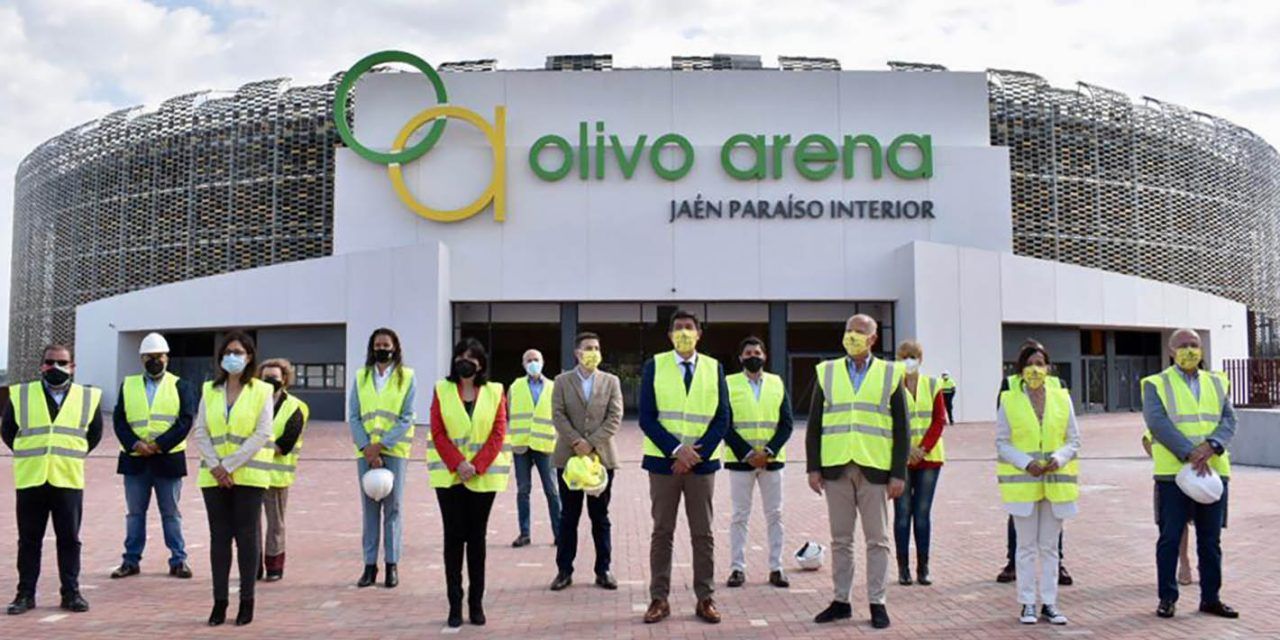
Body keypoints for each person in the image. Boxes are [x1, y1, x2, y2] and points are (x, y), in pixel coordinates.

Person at [807, 314, 908, 630]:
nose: (852, 336)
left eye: (859, 332)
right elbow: (814, 424)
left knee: (877, 540)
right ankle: (841, 601)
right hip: (836, 467)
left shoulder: (890, 373)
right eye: (848, 330)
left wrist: (898, 473)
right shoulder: (827, 371)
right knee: (840, 540)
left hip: (875, 469)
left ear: (873, 339)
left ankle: (878, 603)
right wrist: (813, 467)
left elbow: (902, 428)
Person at [640, 310, 729, 625]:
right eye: (677, 328)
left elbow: (722, 418)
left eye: (689, 328)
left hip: (701, 467)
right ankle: (658, 599)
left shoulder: (714, 367)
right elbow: (646, 417)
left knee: (702, 533)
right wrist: (677, 451)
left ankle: (705, 598)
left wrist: (694, 455)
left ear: (699, 334)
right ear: (669, 335)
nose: (683, 333)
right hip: (664, 465)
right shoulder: (655, 365)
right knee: (662, 532)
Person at [1143, 328, 1238, 620]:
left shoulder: (1218, 381)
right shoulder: (1156, 383)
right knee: (1170, 538)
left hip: (1212, 475)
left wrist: (1212, 446)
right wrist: (1190, 452)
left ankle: (1211, 598)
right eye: (1183, 345)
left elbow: (1228, 420)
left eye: (1194, 345)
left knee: (1210, 541)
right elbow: (1158, 423)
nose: (1189, 350)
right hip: (1174, 474)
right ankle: (1167, 598)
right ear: (1171, 351)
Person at [3, 344, 103, 616]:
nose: (55, 367)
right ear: (41, 365)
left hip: (67, 478)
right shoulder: (21, 394)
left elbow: (93, 435)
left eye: (61, 362)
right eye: (49, 362)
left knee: (69, 539)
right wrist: (30, 454)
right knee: (29, 541)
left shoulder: (87, 397)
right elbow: (8, 431)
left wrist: (70, 455)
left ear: (72, 367)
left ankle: (71, 593)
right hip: (31, 478)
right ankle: (25, 595)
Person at [191, 331, 275, 626]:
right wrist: (217, 467)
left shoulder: (262, 391)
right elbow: (200, 430)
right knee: (219, 540)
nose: (233, 357)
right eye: (228, 352)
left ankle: (246, 602)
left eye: (238, 352)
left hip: (248, 476)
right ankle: (219, 602)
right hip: (214, 477)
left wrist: (229, 465)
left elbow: (262, 433)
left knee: (247, 538)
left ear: (249, 357)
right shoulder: (209, 391)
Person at [996, 341, 1080, 626]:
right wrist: (1025, 462)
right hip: (1024, 483)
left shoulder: (1061, 397)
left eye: (1040, 363)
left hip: (1055, 481)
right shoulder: (1009, 399)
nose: (1035, 369)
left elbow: (1073, 439)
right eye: (1030, 363)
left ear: (1048, 367)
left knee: (1050, 547)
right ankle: (1027, 603)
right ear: (1021, 368)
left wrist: (1059, 457)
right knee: (1026, 547)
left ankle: (1050, 603)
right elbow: (1002, 442)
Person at [427, 338, 510, 628]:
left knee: (476, 540)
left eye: (471, 357)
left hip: (482, 477)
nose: (465, 361)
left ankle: (476, 603)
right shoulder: (442, 390)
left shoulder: (496, 391)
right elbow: (437, 432)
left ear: (481, 363)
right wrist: (458, 463)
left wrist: (476, 465)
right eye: (460, 355)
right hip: (449, 477)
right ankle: (454, 604)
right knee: (453, 539)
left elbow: (498, 432)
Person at [110, 332, 196, 581]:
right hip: (135, 459)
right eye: (149, 357)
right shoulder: (128, 384)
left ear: (167, 358)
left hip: (167, 460)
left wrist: (158, 445)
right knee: (135, 514)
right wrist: (135, 443)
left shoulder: (182, 386)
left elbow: (185, 421)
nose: (154, 361)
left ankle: (179, 560)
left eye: (158, 356)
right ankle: (130, 561)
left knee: (171, 513)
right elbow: (119, 420)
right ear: (141, 359)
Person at [549, 332, 623, 591]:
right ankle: (564, 571)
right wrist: (576, 441)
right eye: (588, 348)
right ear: (577, 353)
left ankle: (603, 570)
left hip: (602, 458)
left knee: (600, 517)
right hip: (569, 458)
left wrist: (591, 443)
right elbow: (557, 414)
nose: (593, 351)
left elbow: (615, 416)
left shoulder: (611, 381)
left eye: (596, 347)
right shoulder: (561, 381)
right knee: (568, 517)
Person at [723, 337, 793, 589]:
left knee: (775, 515)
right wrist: (748, 454)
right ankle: (737, 569)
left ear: (764, 356)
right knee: (740, 516)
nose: (753, 355)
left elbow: (787, 423)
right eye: (748, 352)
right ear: (740, 357)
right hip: (741, 462)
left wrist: (769, 451)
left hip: (772, 462)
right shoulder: (728, 383)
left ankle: (776, 568)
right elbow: (724, 424)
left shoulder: (776, 382)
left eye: (757, 352)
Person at [349, 327, 416, 589]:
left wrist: (382, 446)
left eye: (386, 344)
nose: (382, 348)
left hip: (395, 451)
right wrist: (367, 447)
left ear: (395, 347)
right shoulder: (361, 376)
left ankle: (391, 565)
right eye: (378, 344)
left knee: (393, 509)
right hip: (365, 452)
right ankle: (369, 566)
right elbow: (354, 415)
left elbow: (407, 416)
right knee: (369, 510)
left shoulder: (406, 377)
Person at [893, 340, 947, 587]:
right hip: (901, 459)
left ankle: (923, 567)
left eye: (913, 356)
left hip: (929, 458)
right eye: (904, 356)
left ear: (921, 359)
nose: (909, 360)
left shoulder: (933, 384)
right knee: (902, 513)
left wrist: (922, 449)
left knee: (922, 514)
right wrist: (906, 451)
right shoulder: (891, 385)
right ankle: (902, 568)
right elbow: (888, 420)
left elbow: (938, 420)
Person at [258, 359, 309, 582]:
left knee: (275, 525)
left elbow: (284, 445)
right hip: (249, 474)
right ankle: (253, 565)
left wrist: (254, 445)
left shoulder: (296, 407)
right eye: (265, 377)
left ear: (285, 379)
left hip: (277, 476)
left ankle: (274, 566)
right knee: (250, 525)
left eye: (274, 377)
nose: (269, 382)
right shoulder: (252, 403)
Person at [509, 349, 562, 548]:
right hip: (521, 445)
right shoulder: (515, 386)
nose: (533, 363)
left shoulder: (553, 387)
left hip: (545, 445)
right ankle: (524, 533)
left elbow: (559, 414)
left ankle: (559, 533)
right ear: (523, 364)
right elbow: (509, 411)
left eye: (536, 359)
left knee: (552, 490)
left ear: (543, 362)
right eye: (529, 360)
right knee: (523, 490)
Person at [1142, 432, 1196, 587]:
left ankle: (1204, 566)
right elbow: (1147, 439)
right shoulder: (1162, 411)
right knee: (1175, 525)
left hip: (1203, 471)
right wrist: (1162, 458)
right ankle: (1184, 562)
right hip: (1171, 476)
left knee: (1206, 527)